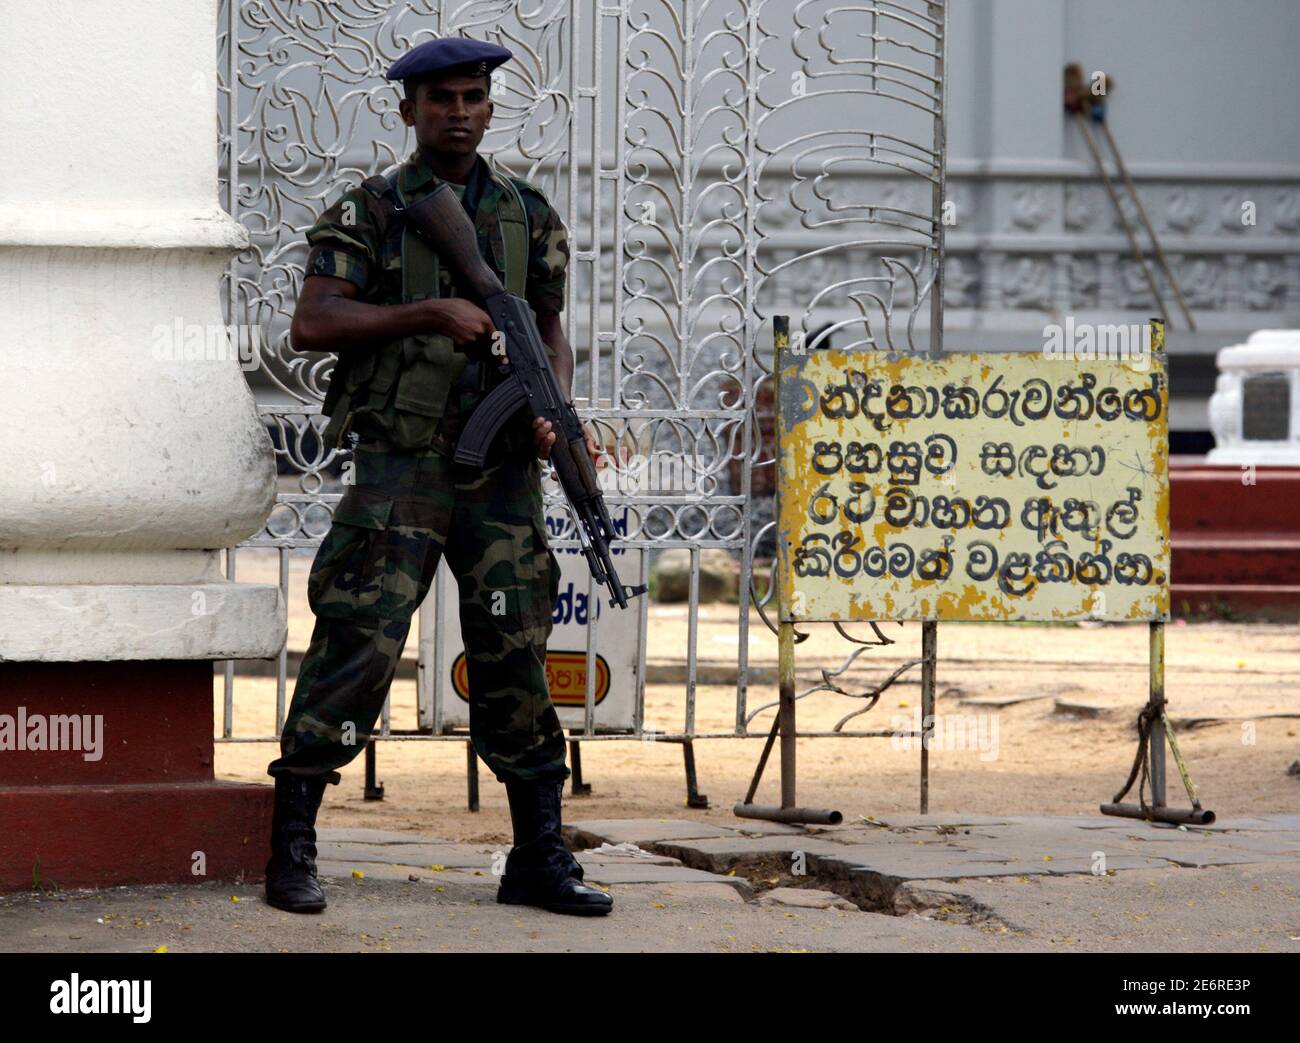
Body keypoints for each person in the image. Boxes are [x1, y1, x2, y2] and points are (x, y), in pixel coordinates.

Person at [263, 37, 611, 917]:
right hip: (401, 469)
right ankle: (292, 845)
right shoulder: (373, 209)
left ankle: (538, 853)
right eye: (441, 99)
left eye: (473, 97)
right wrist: (429, 311)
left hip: (499, 479)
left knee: (516, 661)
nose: (458, 111)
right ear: (408, 110)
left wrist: (551, 408)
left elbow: (548, 327)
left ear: (491, 107)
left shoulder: (528, 214)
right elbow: (312, 322)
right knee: (358, 644)